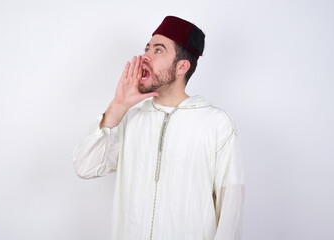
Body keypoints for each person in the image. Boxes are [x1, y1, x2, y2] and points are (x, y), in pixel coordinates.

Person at [73, 16, 245, 240]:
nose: (144, 56)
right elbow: (85, 167)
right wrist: (118, 105)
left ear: (182, 66)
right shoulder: (131, 119)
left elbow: (231, 212)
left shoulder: (215, 124)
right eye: (147, 48)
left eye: (158, 50)